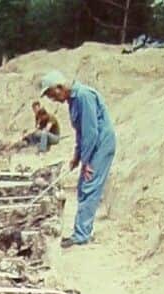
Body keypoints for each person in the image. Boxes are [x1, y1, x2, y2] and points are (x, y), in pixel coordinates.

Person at [40, 70, 116, 248]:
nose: (53, 99)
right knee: (83, 185)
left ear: (60, 87)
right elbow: (80, 133)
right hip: (93, 145)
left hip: (101, 144)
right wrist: (76, 157)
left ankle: (81, 235)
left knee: (89, 185)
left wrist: (87, 161)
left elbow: (91, 132)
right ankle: (81, 231)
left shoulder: (83, 96)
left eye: (52, 94)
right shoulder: (73, 101)